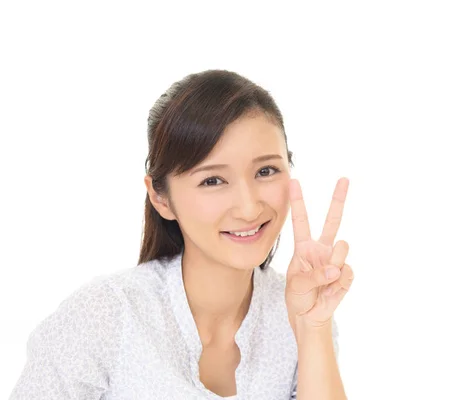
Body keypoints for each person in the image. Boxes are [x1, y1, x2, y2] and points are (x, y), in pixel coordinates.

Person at [9, 69, 354, 399]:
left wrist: (313, 329)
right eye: (212, 180)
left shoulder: (300, 311)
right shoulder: (105, 316)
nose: (249, 208)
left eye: (266, 170)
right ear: (161, 198)